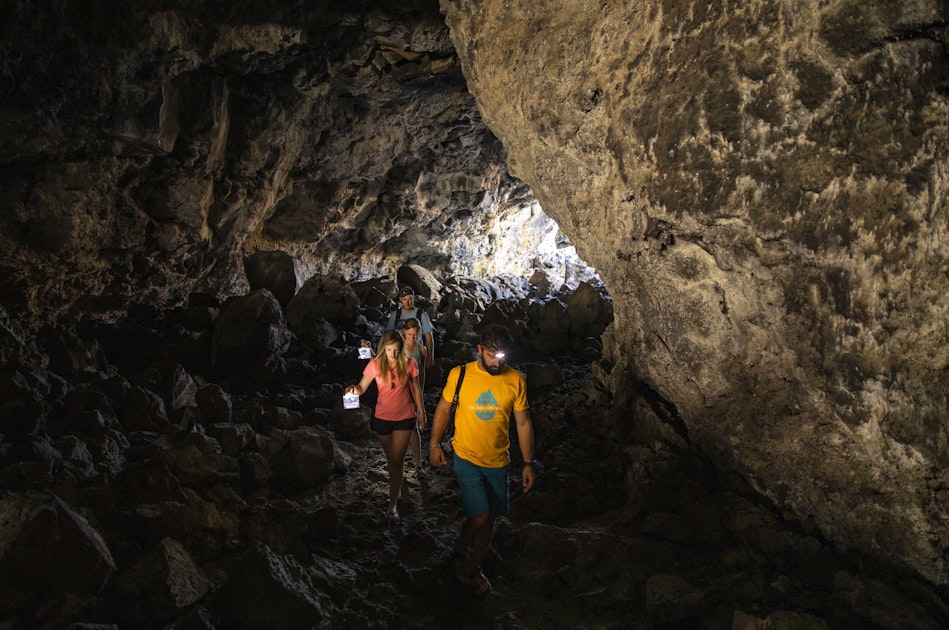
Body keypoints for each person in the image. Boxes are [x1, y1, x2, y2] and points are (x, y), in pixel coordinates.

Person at [428, 324, 535, 595]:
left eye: (501, 356)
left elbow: (522, 423)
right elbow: (444, 407)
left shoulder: (515, 380)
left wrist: (528, 463)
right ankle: (462, 555)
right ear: (479, 351)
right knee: (481, 514)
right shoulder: (460, 375)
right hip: (466, 456)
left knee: (491, 519)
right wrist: (433, 444)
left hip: (499, 460)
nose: (497, 362)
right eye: (490, 356)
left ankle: (471, 565)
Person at [347, 330, 426, 522]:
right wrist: (352, 390)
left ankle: (392, 506)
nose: (393, 354)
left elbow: (415, 388)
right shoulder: (374, 365)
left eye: (397, 350)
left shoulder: (409, 364)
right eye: (390, 349)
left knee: (397, 460)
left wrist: (421, 411)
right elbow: (362, 387)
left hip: (405, 417)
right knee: (391, 459)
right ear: (383, 348)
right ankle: (396, 487)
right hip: (382, 418)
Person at [402, 318, 428, 471]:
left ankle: (418, 463)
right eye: (410, 334)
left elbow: (422, 373)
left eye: (415, 334)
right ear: (404, 332)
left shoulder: (421, 350)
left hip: (414, 388)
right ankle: (401, 462)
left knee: (413, 427)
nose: (412, 337)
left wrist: (421, 392)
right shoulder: (398, 348)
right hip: (400, 389)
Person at [386, 286, 435, 368]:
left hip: (417, 353)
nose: (408, 302)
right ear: (401, 299)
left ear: (414, 299)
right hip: (400, 351)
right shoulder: (395, 315)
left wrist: (430, 357)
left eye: (410, 299)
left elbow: (428, 336)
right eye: (405, 300)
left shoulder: (421, 315)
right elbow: (388, 335)